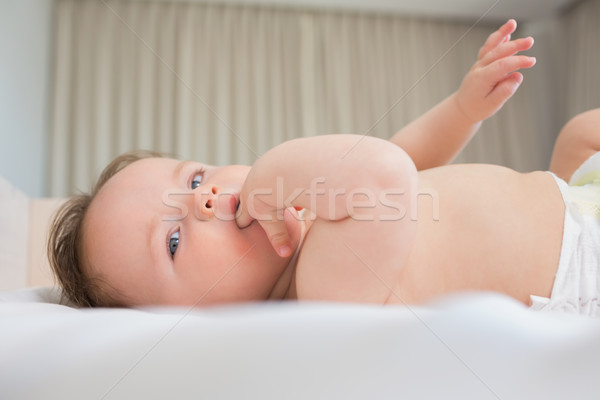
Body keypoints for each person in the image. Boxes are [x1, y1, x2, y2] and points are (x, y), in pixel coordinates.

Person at [51, 19, 585, 313]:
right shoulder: (324, 288)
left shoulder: (319, 218)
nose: (204, 198)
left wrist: (464, 107)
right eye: (172, 241)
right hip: (578, 264)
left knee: (577, 135)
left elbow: (409, 156)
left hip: (572, 197)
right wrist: (271, 175)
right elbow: (387, 173)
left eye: (194, 179)